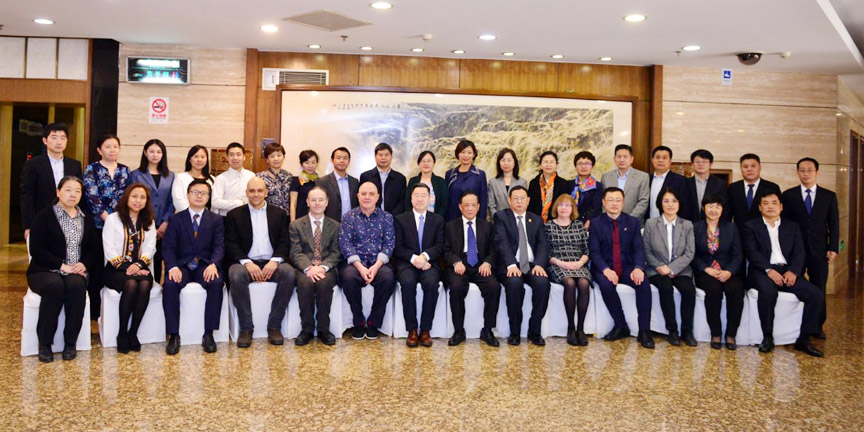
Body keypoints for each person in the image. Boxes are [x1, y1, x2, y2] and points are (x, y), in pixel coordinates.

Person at [742, 191, 824, 357]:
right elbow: (752, 252)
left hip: (787, 270)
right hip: (762, 270)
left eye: (774, 203)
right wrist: (769, 270)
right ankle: (767, 336)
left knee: (815, 295)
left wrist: (793, 271)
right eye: (766, 203)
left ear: (781, 207)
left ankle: (804, 339)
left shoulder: (792, 226)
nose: (770, 207)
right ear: (760, 207)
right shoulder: (751, 226)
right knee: (768, 292)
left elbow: (799, 252)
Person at [27, 176, 99, 363]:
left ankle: (70, 343)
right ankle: (45, 344)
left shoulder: (86, 218)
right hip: (44, 269)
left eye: (77, 191)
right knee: (54, 286)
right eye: (68, 190)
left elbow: (94, 249)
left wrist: (84, 264)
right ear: (58, 192)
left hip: (76, 270)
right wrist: (61, 265)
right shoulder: (44, 216)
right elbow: (37, 249)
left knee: (76, 286)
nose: (73, 194)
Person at [225, 177, 295, 348]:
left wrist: (275, 261)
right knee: (235, 274)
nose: (255, 194)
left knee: (288, 273)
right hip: (245, 263)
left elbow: (285, 242)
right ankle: (246, 328)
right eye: (252, 191)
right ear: (246, 193)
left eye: (259, 190)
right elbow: (231, 244)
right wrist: (247, 263)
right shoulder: (234, 215)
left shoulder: (279, 214)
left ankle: (274, 326)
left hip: (272, 262)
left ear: (266, 192)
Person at [162, 179, 225, 355]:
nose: (199, 196)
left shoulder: (216, 219)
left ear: (208, 197)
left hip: (204, 265)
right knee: (170, 284)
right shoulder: (176, 219)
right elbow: (168, 247)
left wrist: (214, 264)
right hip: (181, 265)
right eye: (195, 192)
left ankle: (209, 334)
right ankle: (173, 335)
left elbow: (219, 246)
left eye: (203, 193)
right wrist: (172, 267)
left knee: (216, 282)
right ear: (188, 195)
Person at [588, 187, 654, 349]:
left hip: (627, 267)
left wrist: (638, 267)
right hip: (605, 267)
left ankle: (644, 331)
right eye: (610, 200)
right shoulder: (596, 223)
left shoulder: (632, 222)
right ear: (603, 202)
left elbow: (638, 248)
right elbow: (594, 252)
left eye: (618, 200)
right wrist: (606, 270)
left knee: (643, 283)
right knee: (606, 285)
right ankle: (621, 325)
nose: (614, 203)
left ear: (623, 203)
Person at [781, 157, 839, 339]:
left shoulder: (828, 196)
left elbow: (834, 223)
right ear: (797, 172)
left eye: (810, 170)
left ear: (817, 172)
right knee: (794, 286)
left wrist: (833, 247)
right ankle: (794, 325)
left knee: (819, 287)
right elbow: (785, 225)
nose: (806, 174)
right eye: (802, 170)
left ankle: (817, 326)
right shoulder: (788, 195)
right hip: (795, 251)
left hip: (819, 250)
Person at [102, 183, 157, 353]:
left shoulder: (149, 221)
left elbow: (151, 248)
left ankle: (133, 332)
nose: (138, 200)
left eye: (142, 197)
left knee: (145, 284)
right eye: (134, 196)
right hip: (115, 269)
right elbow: (109, 248)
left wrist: (138, 265)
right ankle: (122, 333)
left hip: (141, 267)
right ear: (127, 198)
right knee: (131, 284)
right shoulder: (113, 219)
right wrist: (129, 267)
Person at [338, 182, 396, 340]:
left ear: (378, 197)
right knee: (349, 277)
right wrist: (361, 268)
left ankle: (373, 322)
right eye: (363, 194)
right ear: (358, 196)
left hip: (379, 262)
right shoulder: (348, 217)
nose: (367, 197)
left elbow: (389, 245)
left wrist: (375, 267)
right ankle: (358, 322)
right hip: (355, 262)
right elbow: (345, 244)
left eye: (371, 194)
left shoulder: (387, 218)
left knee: (388, 278)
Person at [494, 186, 550, 346]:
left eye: (522, 198)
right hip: (510, 265)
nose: (519, 202)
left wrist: (539, 264)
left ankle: (535, 331)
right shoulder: (501, 217)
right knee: (514, 284)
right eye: (516, 198)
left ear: (528, 201)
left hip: (532, 265)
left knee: (543, 284)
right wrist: (511, 264)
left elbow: (543, 244)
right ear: (509, 201)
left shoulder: (536, 219)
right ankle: (515, 332)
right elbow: (501, 242)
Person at [83, 134, 131, 319]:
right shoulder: (91, 169)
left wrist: (117, 222)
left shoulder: (125, 170)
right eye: (107, 146)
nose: (112, 150)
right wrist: (108, 219)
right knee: (96, 267)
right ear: (99, 149)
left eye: (115, 146)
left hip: (121, 226)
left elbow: (128, 197)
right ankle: (95, 310)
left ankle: (113, 308)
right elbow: (91, 196)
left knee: (115, 263)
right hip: (97, 225)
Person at [444, 191, 500, 347]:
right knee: (456, 287)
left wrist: (488, 262)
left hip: (480, 265)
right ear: (460, 207)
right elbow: (445, 250)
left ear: (478, 207)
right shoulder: (450, 226)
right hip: (460, 265)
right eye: (466, 205)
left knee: (494, 287)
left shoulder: (487, 226)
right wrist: (455, 262)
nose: (470, 208)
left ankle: (487, 330)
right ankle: (459, 331)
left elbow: (493, 250)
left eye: (473, 205)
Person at [393, 183, 446, 347]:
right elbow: (398, 247)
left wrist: (424, 257)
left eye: (424, 195)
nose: (420, 199)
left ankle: (425, 330)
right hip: (407, 263)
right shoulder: (400, 219)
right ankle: (412, 330)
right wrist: (415, 259)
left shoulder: (438, 220)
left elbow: (440, 246)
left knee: (431, 284)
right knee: (408, 283)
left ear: (430, 199)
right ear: (411, 198)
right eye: (416, 195)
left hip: (429, 263)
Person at [643, 188, 697, 347]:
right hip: (656, 269)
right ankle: (672, 330)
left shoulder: (687, 225)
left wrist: (672, 268)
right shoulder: (651, 224)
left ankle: (687, 331)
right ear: (660, 203)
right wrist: (660, 266)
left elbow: (690, 252)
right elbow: (646, 251)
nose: (670, 205)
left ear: (679, 204)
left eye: (674, 201)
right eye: (666, 201)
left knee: (689, 290)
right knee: (665, 288)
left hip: (681, 270)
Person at [289, 187, 341, 346]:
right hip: (304, 268)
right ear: (307, 202)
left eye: (321, 200)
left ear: (327, 202)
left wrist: (323, 267)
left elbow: (336, 252)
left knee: (324, 284)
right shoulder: (296, 225)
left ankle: (324, 330)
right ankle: (307, 330)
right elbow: (296, 252)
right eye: (313, 200)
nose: (317, 203)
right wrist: (309, 268)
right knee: (305, 284)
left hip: (326, 268)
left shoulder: (335, 226)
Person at [692, 194, 745, 350]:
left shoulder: (731, 227)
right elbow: (691, 254)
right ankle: (715, 333)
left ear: (722, 209)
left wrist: (729, 271)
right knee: (714, 290)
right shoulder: (695, 227)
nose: (713, 210)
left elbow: (738, 254)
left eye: (717, 206)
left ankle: (731, 334)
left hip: (728, 270)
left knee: (736, 290)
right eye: (710, 206)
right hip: (706, 271)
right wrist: (706, 269)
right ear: (704, 208)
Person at [21, 123, 83, 241]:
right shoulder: (33, 164)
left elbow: (79, 192)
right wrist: (28, 225)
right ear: (45, 140)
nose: (59, 142)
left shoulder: (74, 165)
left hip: (69, 217)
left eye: (62, 138)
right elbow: (27, 195)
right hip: (41, 218)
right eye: (54, 138)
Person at [545, 194, 591, 346]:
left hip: (578, 263)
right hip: (557, 264)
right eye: (561, 205)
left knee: (584, 283)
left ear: (573, 209)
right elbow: (546, 252)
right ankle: (571, 328)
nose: (564, 208)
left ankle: (581, 329)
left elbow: (586, 250)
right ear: (556, 207)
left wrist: (580, 262)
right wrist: (562, 263)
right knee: (570, 283)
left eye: (567, 205)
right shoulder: (548, 226)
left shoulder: (579, 225)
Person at [129, 139, 175, 283]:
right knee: (144, 258)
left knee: (162, 258)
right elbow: (133, 200)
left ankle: (160, 289)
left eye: (159, 152)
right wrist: (148, 224)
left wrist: (165, 222)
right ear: (145, 153)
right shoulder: (135, 175)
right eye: (151, 151)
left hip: (164, 226)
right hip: (143, 223)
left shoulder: (171, 176)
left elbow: (172, 202)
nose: (155, 155)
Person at [725, 153, 781, 235]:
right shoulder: (733, 188)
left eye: (753, 166)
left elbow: (778, 213)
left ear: (760, 167)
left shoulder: (772, 187)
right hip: (739, 234)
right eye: (745, 167)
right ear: (741, 169)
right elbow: (727, 214)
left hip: (764, 234)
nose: (749, 169)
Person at [600, 144, 650, 221]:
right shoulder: (606, 177)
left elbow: (643, 201)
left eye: (625, 156)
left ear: (631, 159)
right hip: (609, 222)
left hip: (633, 222)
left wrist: (629, 220)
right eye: (619, 156)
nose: (622, 160)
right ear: (614, 159)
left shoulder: (642, 177)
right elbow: (603, 201)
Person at [445, 139, 488, 221]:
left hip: (473, 220)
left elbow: (483, 201)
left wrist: (481, 222)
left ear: (474, 154)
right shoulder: (450, 174)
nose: (466, 155)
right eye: (463, 152)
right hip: (453, 219)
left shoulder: (480, 175)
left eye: (469, 152)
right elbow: (447, 200)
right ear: (458, 154)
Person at [360, 142, 407, 215]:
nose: (383, 158)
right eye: (380, 155)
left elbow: (402, 202)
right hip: (370, 217)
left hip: (394, 218)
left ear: (391, 157)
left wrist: (391, 217)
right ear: (375, 156)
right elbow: (362, 199)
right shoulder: (366, 177)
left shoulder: (400, 178)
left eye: (386, 155)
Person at [212, 142, 256, 216]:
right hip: (228, 217)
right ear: (227, 157)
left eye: (238, 154)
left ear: (244, 157)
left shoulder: (251, 176)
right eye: (231, 155)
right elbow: (215, 202)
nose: (235, 158)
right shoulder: (221, 178)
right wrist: (236, 204)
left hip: (248, 216)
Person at [316, 147, 359, 222]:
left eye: (345, 158)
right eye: (338, 158)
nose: (342, 161)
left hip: (351, 224)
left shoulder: (355, 182)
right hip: (330, 224)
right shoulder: (322, 182)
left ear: (349, 161)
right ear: (332, 160)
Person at [647, 146, 690, 221]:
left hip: (671, 223)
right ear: (652, 160)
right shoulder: (646, 179)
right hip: (649, 224)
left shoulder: (680, 180)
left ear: (670, 161)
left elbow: (685, 206)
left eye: (664, 158)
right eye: (657, 157)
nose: (660, 160)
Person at [527, 151, 571, 223]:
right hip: (535, 222)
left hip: (556, 222)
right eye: (545, 162)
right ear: (540, 165)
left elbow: (565, 205)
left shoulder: (563, 184)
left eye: (551, 162)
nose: (548, 165)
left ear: (556, 165)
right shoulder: (533, 183)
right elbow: (530, 205)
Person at [685, 149, 726, 221]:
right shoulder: (685, 183)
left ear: (710, 164)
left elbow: (724, 207)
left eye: (704, 162)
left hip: (711, 224)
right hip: (688, 224)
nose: (701, 164)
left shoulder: (719, 184)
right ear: (692, 164)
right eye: (697, 162)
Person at [172, 145, 214, 212]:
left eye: (202, 157)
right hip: (186, 216)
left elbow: (214, 202)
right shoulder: (180, 178)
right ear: (189, 159)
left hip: (208, 217)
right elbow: (178, 201)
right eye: (196, 156)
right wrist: (194, 215)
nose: (199, 160)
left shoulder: (212, 180)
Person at [406, 150, 449, 217]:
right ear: (419, 163)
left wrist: (437, 219)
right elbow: (407, 202)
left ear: (434, 163)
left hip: (436, 220)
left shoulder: (441, 182)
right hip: (415, 219)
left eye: (429, 161)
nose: (426, 164)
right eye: (423, 161)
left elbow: (444, 204)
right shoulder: (413, 181)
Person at [488, 148, 527, 220]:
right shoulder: (493, 182)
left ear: (514, 163)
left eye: (509, 160)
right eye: (503, 160)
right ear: (499, 163)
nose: (506, 163)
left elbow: (523, 203)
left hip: (517, 220)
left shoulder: (522, 182)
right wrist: (498, 219)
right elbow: (491, 205)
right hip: (498, 221)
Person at [570, 150, 604, 229]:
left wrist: (589, 221)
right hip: (569, 223)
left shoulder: (597, 186)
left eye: (587, 164)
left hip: (588, 224)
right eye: (580, 164)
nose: (583, 167)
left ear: (592, 166)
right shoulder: (568, 184)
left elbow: (597, 208)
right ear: (575, 166)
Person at [257, 142, 293, 213]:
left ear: (283, 157)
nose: (276, 159)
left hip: (286, 216)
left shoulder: (289, 176)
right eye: (272, 156)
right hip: (268, 215)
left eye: (279, 155)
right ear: (267, 159)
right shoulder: (260, 177)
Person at [289, 149, 320, 221]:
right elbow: (293, 204)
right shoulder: (296, 180)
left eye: (313, 162)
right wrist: (293, 222)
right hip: (300, 218)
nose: (310, 166)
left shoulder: (320, 181)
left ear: (317, 163)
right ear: (301, 164)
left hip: (316, 218)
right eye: (306, 163)